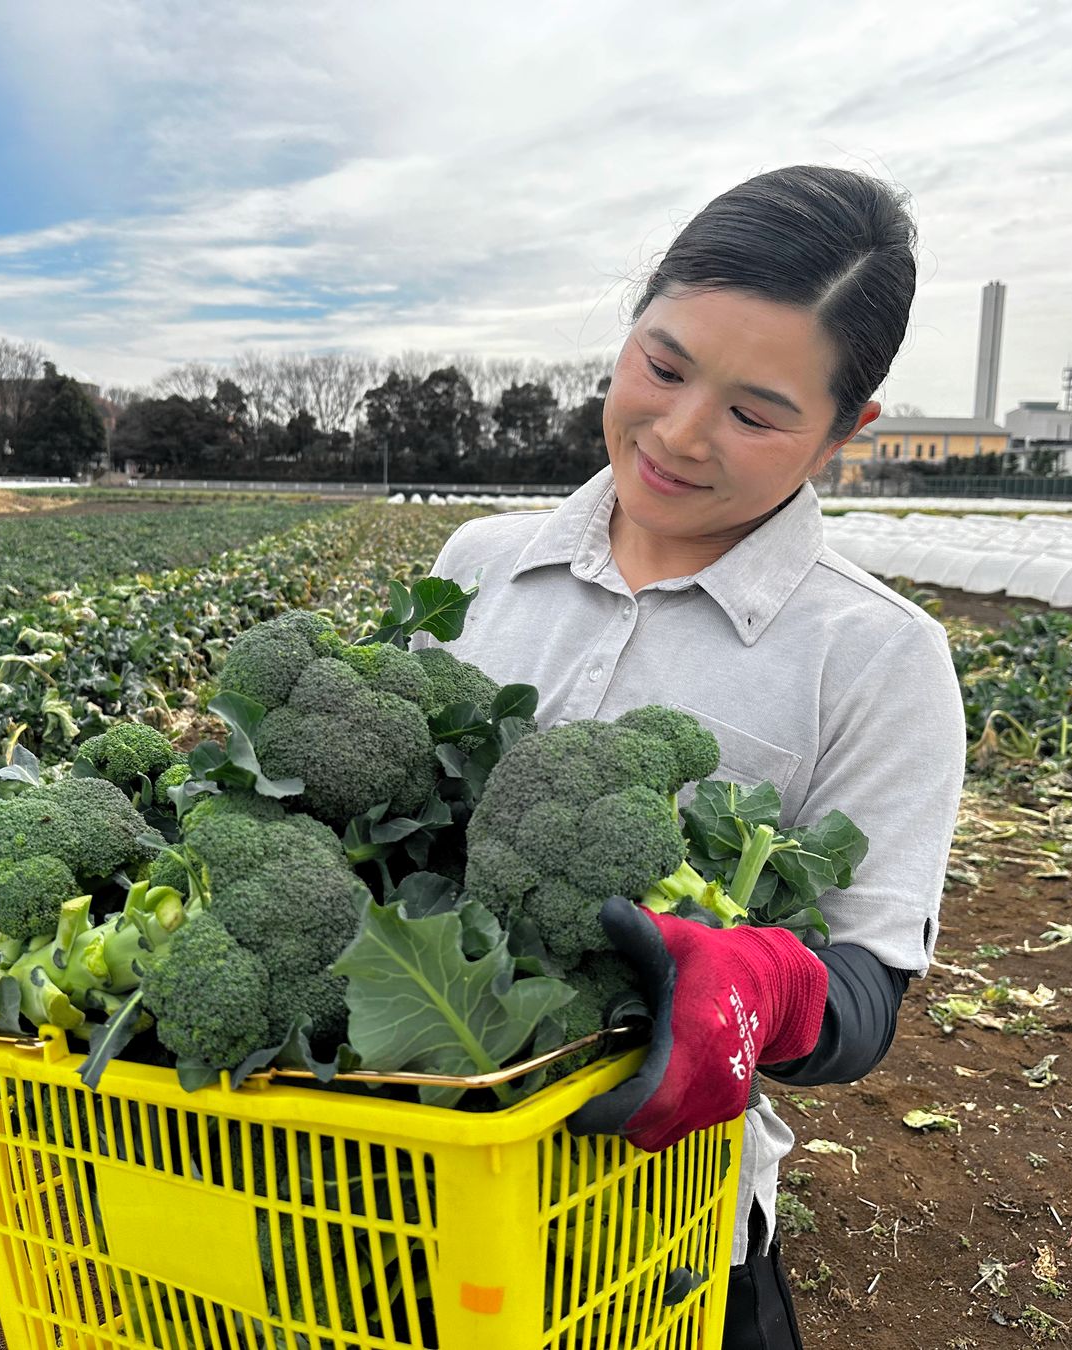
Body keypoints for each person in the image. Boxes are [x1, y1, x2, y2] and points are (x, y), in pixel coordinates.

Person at [412, 165, 966, 1347]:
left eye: (756, 414)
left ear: (845, 432)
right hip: (403, 1185)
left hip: (664, 1233)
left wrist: (771, 983)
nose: (676, 433)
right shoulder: (474, 567)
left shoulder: (877, 656)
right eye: (662, 367)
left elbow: (866, 996)